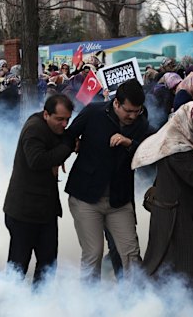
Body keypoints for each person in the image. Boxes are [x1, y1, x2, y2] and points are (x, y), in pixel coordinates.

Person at [131, 101, 193, 288]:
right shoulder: (179, 149)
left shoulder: (183, 139)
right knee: (186, 268)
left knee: (173, 267)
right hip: (178, 218)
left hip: (178, 213)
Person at [64, 79, 151, 281]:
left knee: (131, 253)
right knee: (92, 254)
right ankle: (91, 304)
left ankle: (137, 303)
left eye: (136, 111)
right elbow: (68, 135)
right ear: (116, 103)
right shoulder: (93, 112)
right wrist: (66, 150)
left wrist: (130, 143)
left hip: (119, 200)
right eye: (128, 110)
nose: (132, 116)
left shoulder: (141, 123)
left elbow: (150, 151)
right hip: (86, 197)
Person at [2, 94, 74, 284]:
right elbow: (38, 161)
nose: (64, 124)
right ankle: (9, 304)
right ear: (46, 115)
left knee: (48, 264)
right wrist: (67, 146)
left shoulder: (53, 129)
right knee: (18, 264)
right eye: (59, 119)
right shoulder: (34, 130)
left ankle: (40, 304)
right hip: (23, 211)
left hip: (45, 210)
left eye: (67, 119)